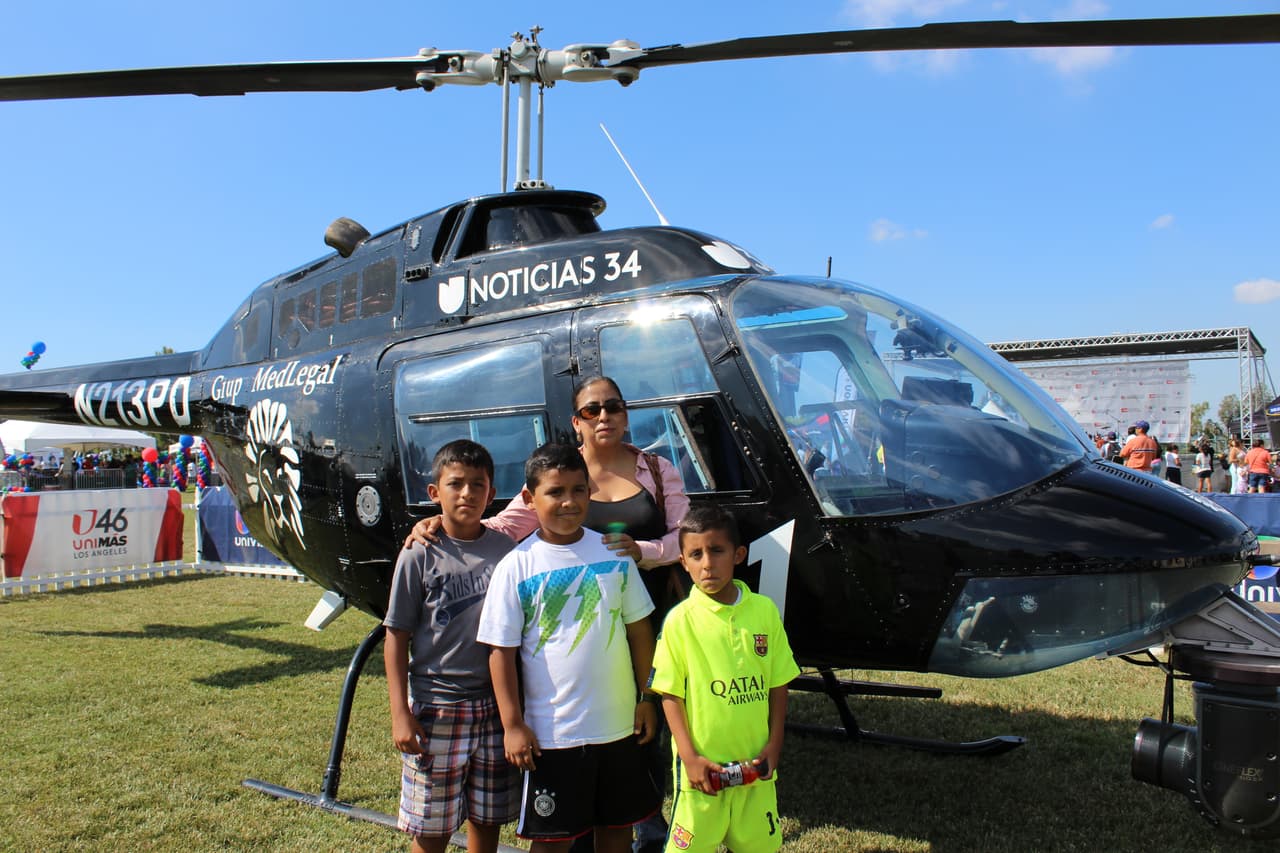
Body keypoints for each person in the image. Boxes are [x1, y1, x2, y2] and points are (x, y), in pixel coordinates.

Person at [408, 375, 689, 852]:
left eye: (614, 407)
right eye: (591, 410)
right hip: (556, 724)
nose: (604, 416)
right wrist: (448, 523)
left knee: (621, 808)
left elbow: (684, 540)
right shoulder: (523, 558)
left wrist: (639, 551)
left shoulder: (655, 472)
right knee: (558, 834)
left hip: (631, 650)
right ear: (576, 420)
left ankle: (653, 820)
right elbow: (502, 528)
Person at [477, 443, 661, 853]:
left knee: (616, 832)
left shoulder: (613, 554)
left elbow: (640, 631)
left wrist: (648, 696)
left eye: (578, 490)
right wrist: (512, 724)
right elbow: (499, 653)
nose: (568, 502)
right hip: (553, 735)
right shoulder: (517, 566)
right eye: (555, 492)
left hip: (619, 729)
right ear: (529, 498)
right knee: (552, 842)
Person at [383, 440, 519, 853]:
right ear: (434, 493)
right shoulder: (419, 552)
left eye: (478, 485)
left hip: (494, 707)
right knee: (432, 827)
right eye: (455, 484)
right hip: (437, 707)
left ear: (492, 494)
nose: (467, 494)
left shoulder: (506, 552)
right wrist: (400, 714)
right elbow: (396, 635)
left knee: (487, 818)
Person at [649, 505, 800, 853]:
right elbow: (669, 695)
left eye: (716, 551)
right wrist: (689, 758)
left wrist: (774, 744)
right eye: (696, 554)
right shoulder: (679, 621)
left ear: (738, 554)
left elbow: (779, 683)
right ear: (683, 562)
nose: (707, 563)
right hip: (702, 775)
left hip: (756, 770)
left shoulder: (764, 611)